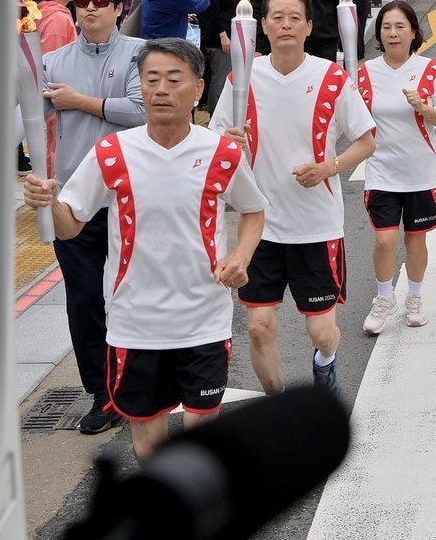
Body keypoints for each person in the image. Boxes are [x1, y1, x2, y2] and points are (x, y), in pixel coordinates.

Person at [23, 38, 267, 460]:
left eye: (174, 79)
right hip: (135, 323)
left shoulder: (222, 153)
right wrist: (48, 203)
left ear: (197, 88)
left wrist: (240, 256)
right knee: (149, 443)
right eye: (151, 79)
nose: (160, 90)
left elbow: (253, 210)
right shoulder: (112, 152)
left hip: (203, 319)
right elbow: (70, 226)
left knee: (201, 437)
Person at [211, 0, 375, 396]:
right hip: (260, 226)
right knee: (259, 327)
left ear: (308, 26)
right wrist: (231, 144)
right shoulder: (241, 79)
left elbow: (367, 140)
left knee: (321, 332)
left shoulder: (330, 77)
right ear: (262, 26)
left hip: (315, 225)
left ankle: (325, 362)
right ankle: (279, 407)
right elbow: (214, 145)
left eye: (294, 18)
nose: (285, 24)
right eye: (276, 17)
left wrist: (328, 167)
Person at [38, 0, 146, 434]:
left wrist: (80, 101)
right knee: (83, 301)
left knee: (133, 295)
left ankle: (141, 381)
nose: (91, 8)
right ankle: (103, 394)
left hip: (131, 197)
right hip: (74, 203)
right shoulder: (53, 61)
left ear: (119, 7)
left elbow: (142, 109)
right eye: (83, 1)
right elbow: (27, 113)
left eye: (101, 0)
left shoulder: (141, 55)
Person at [358, 2, 436, 332]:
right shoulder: (365, 72)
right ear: (379, 34)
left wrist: (423, 107)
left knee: (415, 239)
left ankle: (414, 296)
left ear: (414, 32)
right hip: (382, 170)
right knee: (384, 241)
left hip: (421, 172)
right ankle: (385, 296)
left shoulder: (429, 70)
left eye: (400, 27)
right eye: (387, 27)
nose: (393, 33)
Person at [200, 0, 242, 113]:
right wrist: (222, 35)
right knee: (220, 77)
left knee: (228, 76)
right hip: (219, 38)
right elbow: (213, 11)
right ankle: (215, 113)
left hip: (230, 33)